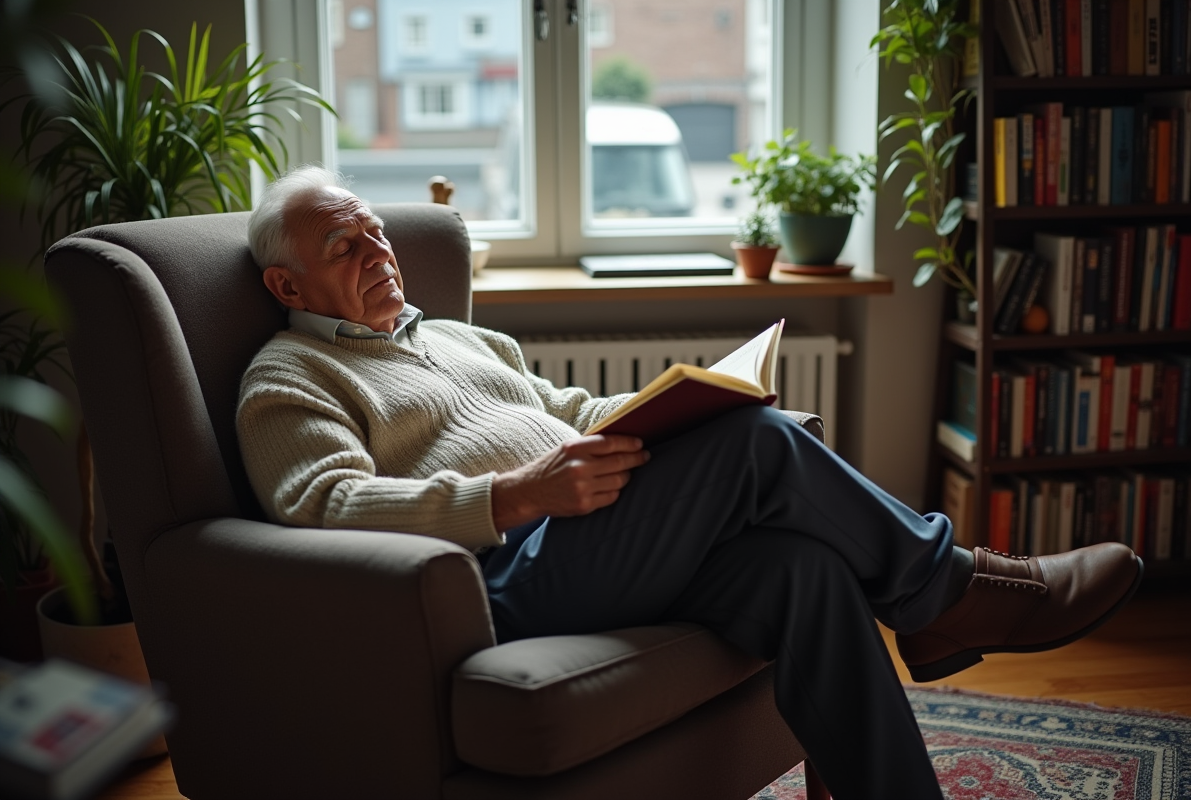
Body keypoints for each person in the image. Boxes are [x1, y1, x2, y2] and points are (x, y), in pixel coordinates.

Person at [235, 167, 1142, 800]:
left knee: (800, 565)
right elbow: (325, 506)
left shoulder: (456, 338)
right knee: (760, 444)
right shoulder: (288, 378)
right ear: (288, 280)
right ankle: (951, 591)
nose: (379, 252)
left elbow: (572, 407)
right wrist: (515, 496)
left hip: (598, 538)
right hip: (503, 576)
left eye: (377, 232)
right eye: (344, 244)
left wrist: (694, 400)